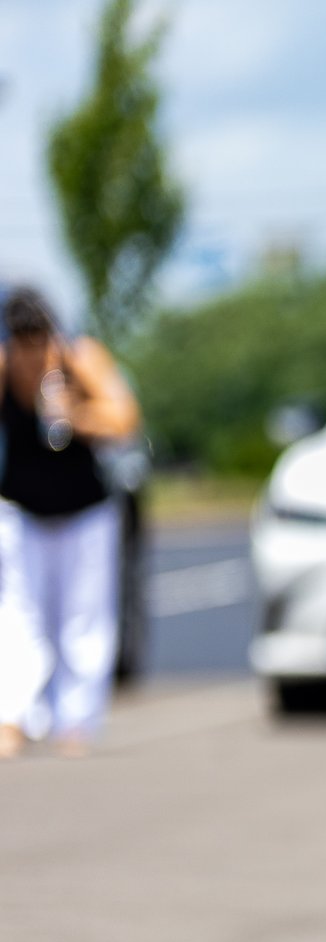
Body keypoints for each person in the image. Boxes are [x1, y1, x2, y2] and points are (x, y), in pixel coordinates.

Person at [0, 287, 141, 757]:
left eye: (39, 342)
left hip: (85, 512)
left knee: (83, 617)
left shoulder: (80, 358)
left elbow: (124, 419)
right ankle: (13, 717)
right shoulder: (4, 367)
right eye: (23, 345)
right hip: (23, 510)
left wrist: (74, 415)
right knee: (18, 615)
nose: (32, 355)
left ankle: (76, 721)